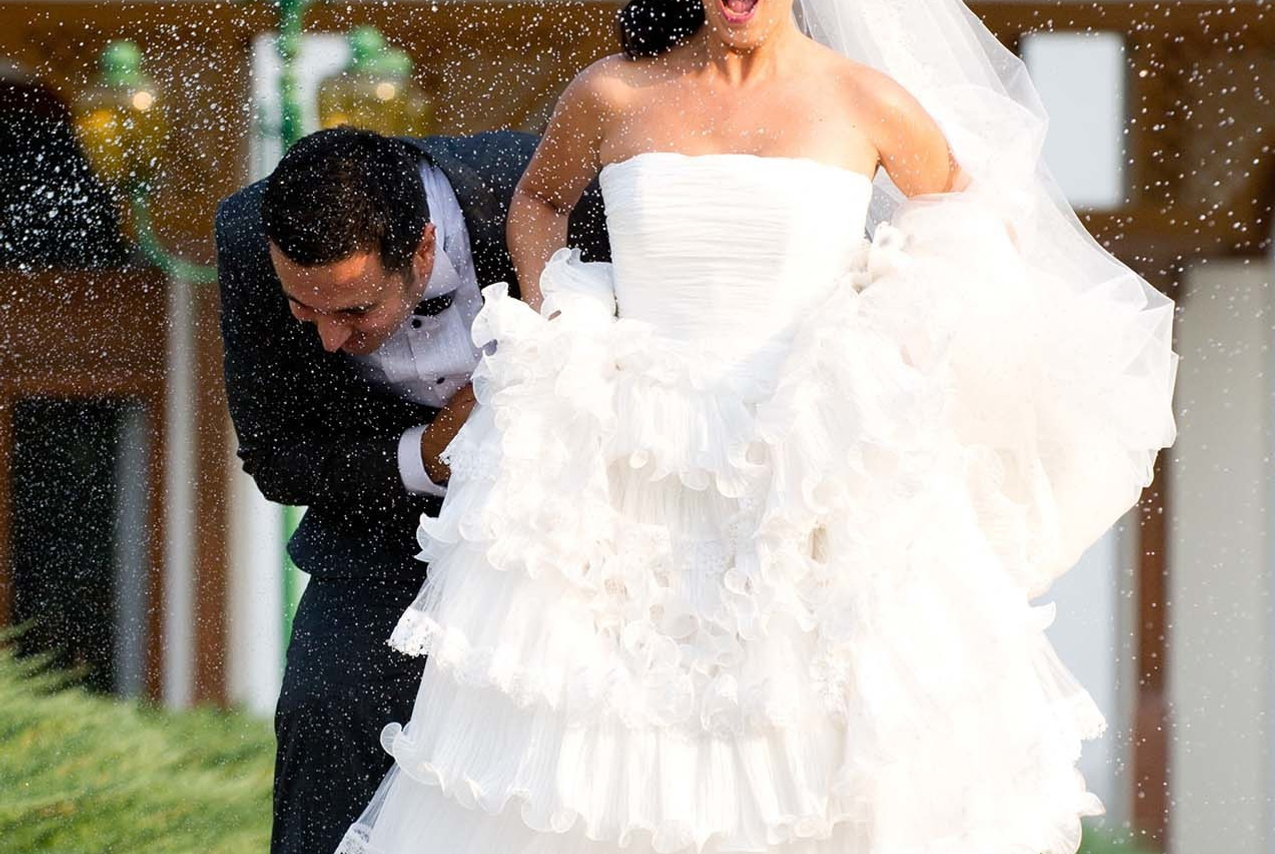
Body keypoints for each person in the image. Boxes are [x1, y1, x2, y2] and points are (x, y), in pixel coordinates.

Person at [336, 0, 1179, 850]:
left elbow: (971, 224)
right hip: (628, 455)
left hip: (809, 467)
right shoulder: (615, 92)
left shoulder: (867, 99)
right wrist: (556, 314)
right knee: (597, 740)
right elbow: (541, 199)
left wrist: (893, 326)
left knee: (818, 729)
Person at [214, 126, 609, 854]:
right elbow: (278, 458)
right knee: (325, 710)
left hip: (579, 524)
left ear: (424, 250)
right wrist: (424, 455)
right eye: (307, 312)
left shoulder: (560, 184)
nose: (329, 338)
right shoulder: (244, 233)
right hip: (382, 533)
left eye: (355, 311)